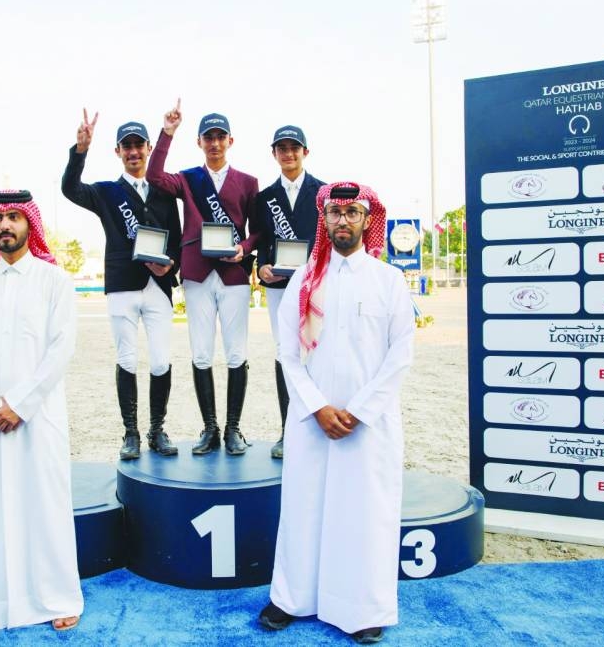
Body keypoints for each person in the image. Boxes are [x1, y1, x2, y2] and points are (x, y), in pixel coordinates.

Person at [258, 183, 415, 644]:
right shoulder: (305, 280)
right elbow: (287, 354)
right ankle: (291, 599)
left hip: (369, 424)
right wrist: (319, 407)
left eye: (352, 212)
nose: (342, 220)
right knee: (304, 507)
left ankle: (363, 608)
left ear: (368, 220)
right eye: (334, 213)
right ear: (323, 220)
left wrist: (360, 411)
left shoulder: (390, 280)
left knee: (365, 512)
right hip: (312, 420)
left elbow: (401, 354)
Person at [0, 189, 83, 631]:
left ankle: (58, 596)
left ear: (30, 224)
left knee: (45, 505)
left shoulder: (54, 281)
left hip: (38, 417)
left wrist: (21, 405)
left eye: (14, 217)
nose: (5, 225)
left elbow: (61, 349)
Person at [62, 111, 182, 460]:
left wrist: (170, 263)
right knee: (127, 357)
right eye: (126, 146)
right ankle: (130, 433)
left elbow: (175, 237)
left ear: (148, 148)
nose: (133, 152)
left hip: (158, 286)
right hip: (122, 286)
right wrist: (80, 150)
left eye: (138, 145)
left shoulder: (164, 192)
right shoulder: (105, 191)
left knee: (161, 360)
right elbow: (71, 188)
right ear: (117, 151)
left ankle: (157, 429)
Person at [146, 100, 260, 456]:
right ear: (199, 142)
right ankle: (210, 428)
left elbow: (258, 231)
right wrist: (167, 133)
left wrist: (244, 247)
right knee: (201, 353)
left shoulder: (247, 182)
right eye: (208, 137)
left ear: (230, 141)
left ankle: (233, 429)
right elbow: (153, 176)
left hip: (233, 273)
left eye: (220, 137)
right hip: (197, 272)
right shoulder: (188, 178)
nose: (214, 143)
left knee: (237, 352)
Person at [255, 125, 325, 459]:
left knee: (318, 353)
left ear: (305, 152)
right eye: (281, 148)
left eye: (294, 147)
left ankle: (317, 426)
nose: (288, 153)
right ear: (274, 154)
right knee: (286, 353)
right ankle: (288, 430)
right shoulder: (265, 197)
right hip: (280, 288)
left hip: (317, 286)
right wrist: (261, 267)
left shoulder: (324, 192)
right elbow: (261, 243)